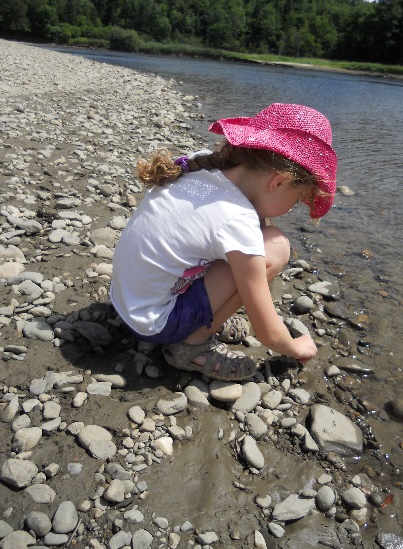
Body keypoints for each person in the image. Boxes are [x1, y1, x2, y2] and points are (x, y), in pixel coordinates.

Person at [110, 103, 337, 381]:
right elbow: (268, 334)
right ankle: (193, 343)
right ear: (278, 182)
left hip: (126, 301)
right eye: (298, 200)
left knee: (259, 231)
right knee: (276, 246)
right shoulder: (236, 218)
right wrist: (294, 346)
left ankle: (205, 316)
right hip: (155, 323)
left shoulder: (203, 163)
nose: (291, 209)